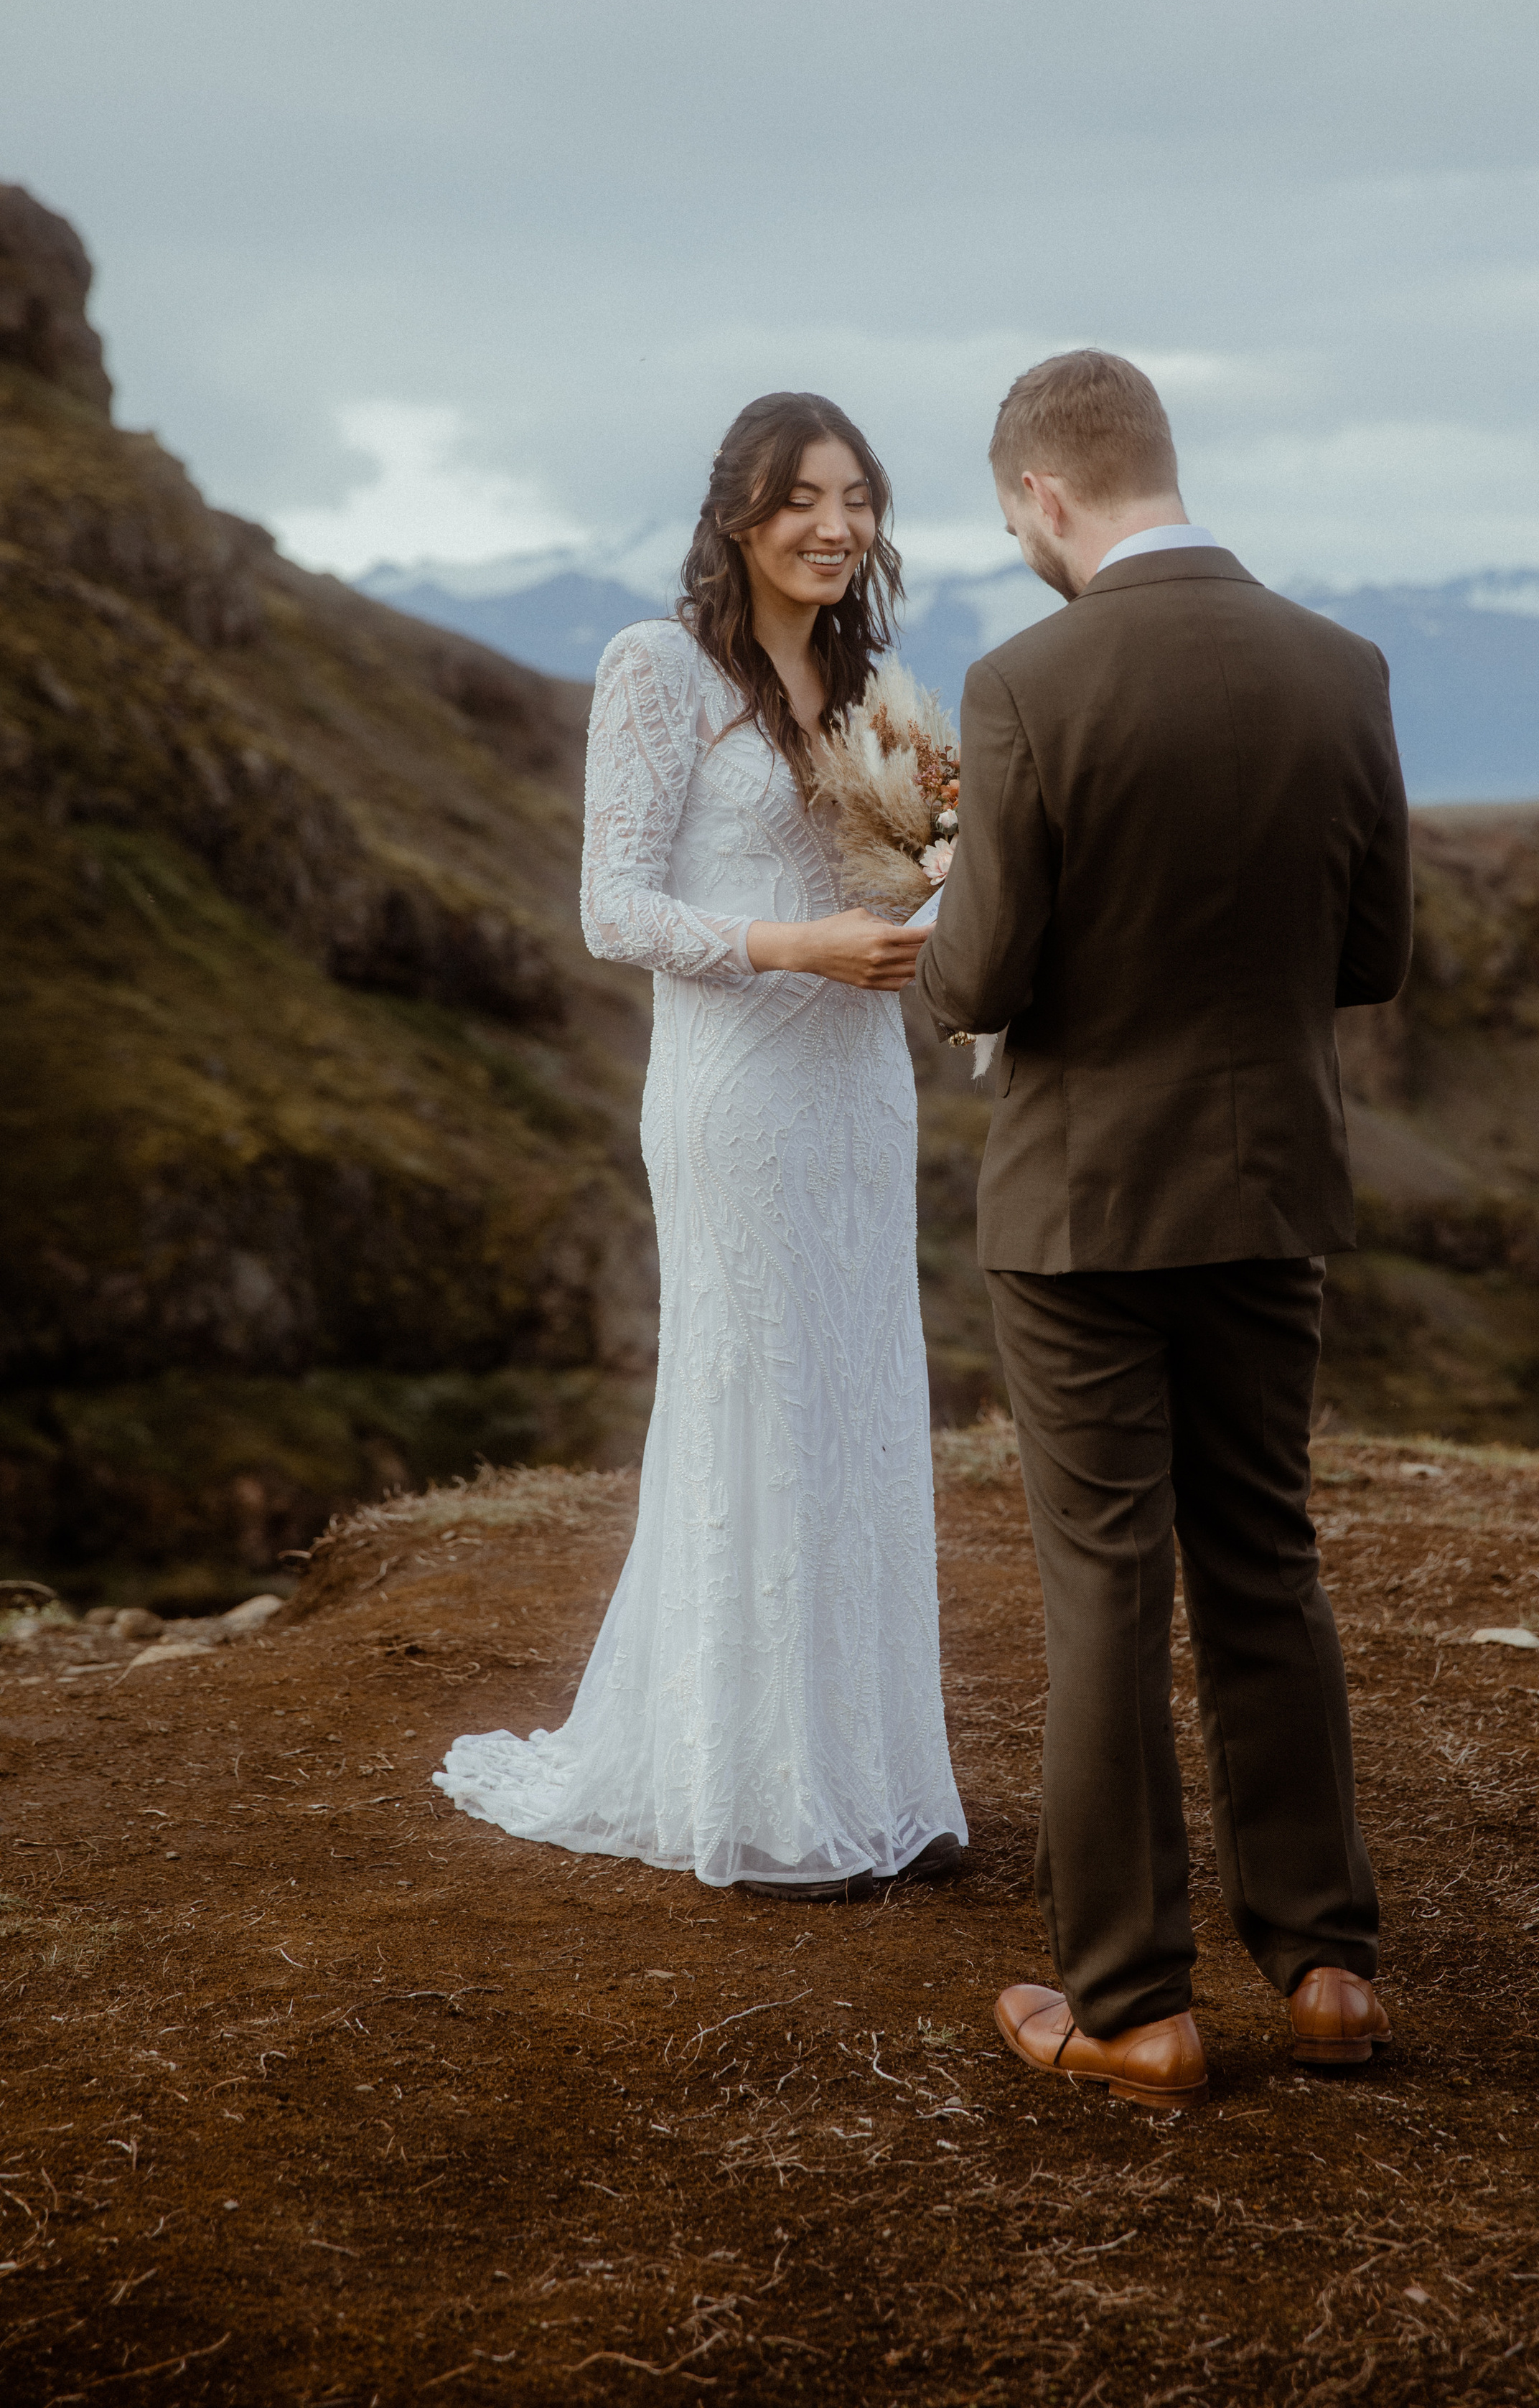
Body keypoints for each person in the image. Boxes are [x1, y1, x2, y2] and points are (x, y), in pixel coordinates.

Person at [915, 350, 1411, 2107]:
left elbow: (974, 975)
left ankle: (1132, 2003)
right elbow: (1370, 958)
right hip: (1268, 1185)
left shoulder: (1026, 682)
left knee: (1106, 1588)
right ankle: (1327, 1968)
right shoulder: (1337, 668)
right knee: (1264, 1561)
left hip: (1079, 1214)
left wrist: (962, 896)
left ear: (1044, 497)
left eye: (1008, 520)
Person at [436, 393, 967, 1899]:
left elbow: (900, 876)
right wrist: (792, 942)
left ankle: (874, 1788)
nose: (836, 525)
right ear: (737, 508)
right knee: (761, 1401)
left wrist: (927, 907)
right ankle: (765, 1797)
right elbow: (613, 908)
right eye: (802, 496)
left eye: (858, 498)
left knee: (860, 1400)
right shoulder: (656, 668)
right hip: (737, 1089)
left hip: (859, 1087)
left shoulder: (871, 687)